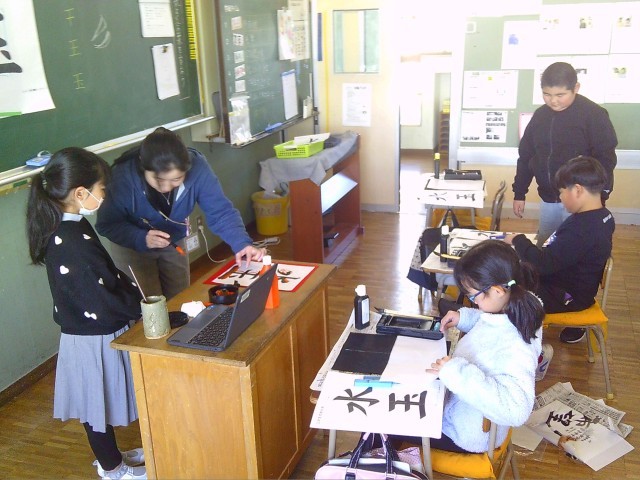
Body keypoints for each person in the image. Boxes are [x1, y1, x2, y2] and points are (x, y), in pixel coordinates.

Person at [26, 148, 146, 480]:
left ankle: (113, 457)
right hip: (91, 336)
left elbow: (105, 278)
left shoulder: (73, 225)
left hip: (94, 330)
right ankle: (112, 468)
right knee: (96, 405)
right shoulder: (69, 239)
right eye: (102, 189)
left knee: (99, 401)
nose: (103, 196)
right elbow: (100, 297)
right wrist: (140, 307)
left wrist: (133, 299)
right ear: (81, 193)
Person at [96, 127, 264, 300]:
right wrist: (140, 238)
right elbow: (107, 224)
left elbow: (220, 212)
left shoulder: (198, 168)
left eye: (176, 179)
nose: (166, 187)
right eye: (158, 180)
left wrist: (241, 243)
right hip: (131, 244)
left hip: (173, 240)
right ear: (142, 166)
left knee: (180, 298)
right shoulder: (121, 177)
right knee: (149, 305)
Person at [410, 241, 545, 453]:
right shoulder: (519, 305)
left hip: (466, 432)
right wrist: (464, 318)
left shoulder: (515, 345)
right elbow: (492, 325)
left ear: (498, 290)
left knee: (384, 423)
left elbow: (516, 411)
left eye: (474, 296)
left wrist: (455, 372)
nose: (474, 302)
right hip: (462, 411)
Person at [505, 156, 615, 344]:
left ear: (578, 190)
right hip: (572, 285)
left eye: (562, 192)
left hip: (567, 296)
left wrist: (518, 240)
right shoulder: (603, 216)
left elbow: (542, 265)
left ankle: (520, 346)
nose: (560, 198)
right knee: (508, 273)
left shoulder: (582, 229)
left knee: (502, 291)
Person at [512, 61, 617, 247]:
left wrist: (598, 196)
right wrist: (519, 193)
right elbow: (526, 156)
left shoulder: (594, 114)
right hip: (549, 199)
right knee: (546, 246)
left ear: (575, 88)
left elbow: (606, 160)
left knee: (579, 249)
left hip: (582, 201)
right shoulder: (540, 116)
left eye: (560, 95)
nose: (553, 101)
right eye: (547, 94)